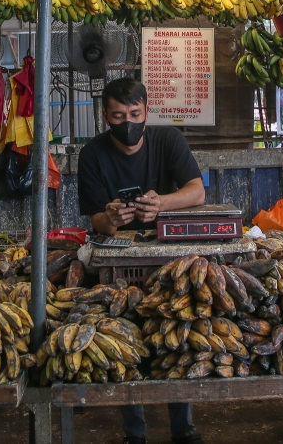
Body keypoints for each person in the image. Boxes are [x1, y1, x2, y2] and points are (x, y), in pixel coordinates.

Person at [78, 77, 206, 444]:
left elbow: (197, 191)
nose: (128, 122)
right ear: (105, 116)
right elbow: (96, 220)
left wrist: (162, 203)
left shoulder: (169, 141)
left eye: (135, 113)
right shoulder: (93, 155)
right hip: (120, 264)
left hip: (170, 257)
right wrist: (112, 219)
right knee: (126, 337)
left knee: (177, 335)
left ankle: (183, 428)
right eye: (118, 115)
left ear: (147, 111)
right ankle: (135, 431)